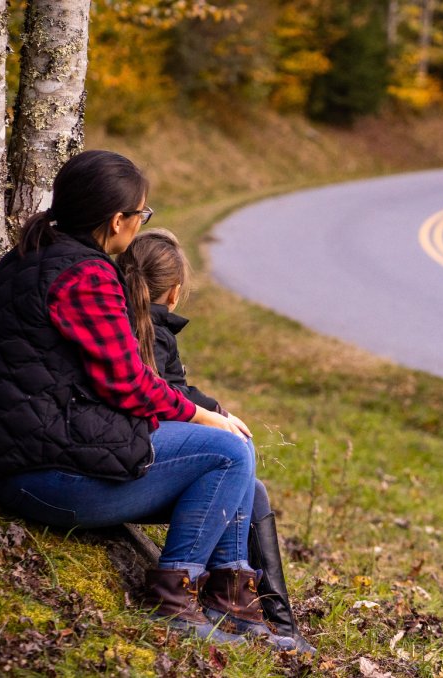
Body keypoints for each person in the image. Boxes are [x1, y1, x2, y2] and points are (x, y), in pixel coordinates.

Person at [0, 150, 291, 651]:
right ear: (118, 221)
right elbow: (127, 384)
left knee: (241, 476)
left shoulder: (28, 256)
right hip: (42, 477)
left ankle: (233, 607)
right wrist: (203, 415)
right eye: (142, 214)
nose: (141, 223)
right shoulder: (85, 276)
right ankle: (174, 604)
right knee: (230, 452)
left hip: (16, 456)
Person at [118, 228, 315, 655]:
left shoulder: (123, 324)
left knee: (245, 471)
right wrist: (218, 415)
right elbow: (174, 394)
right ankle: (196, 592)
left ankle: (234, 593)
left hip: (136, 450)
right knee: (232, 451)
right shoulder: (151, 331)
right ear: (173, 293)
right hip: (142, 456)